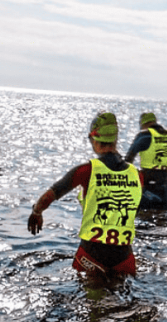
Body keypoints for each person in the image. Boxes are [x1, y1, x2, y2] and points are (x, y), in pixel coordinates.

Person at [27, 112, 143, 277]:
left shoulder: (86, 170)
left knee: (90, 296)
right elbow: (135, 210)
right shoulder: (136, 175)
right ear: (115, 139)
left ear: (94, 139)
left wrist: (36, 212)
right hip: (124, 256)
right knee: (122, 295)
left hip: (91, 254)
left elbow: (50, 195)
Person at [124, 111, 167, 209]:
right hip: (166, 190)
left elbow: (127, 161)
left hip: (149, 190)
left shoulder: (144, 136)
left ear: (143, 124)